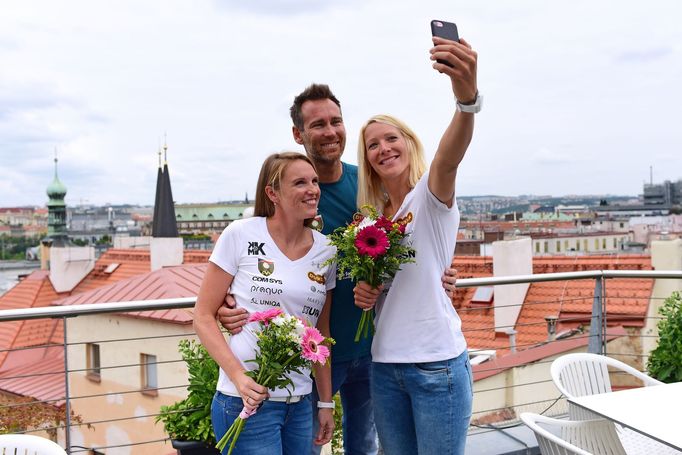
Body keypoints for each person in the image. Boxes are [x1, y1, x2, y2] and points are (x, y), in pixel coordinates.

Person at [218, 84, 459, 455]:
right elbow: (259, 258)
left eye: (336, 121)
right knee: (311, 445)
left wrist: (442, 269)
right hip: (313, 357)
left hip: (375, 348)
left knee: (363, 446)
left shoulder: (369, 182)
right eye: (318, 125)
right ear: (298, 135)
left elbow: (416, 230)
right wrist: (226, 306)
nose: (330, 132)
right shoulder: (290, 192)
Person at [353, 36, 479, 455]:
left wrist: (466, 100)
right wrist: (368, 292)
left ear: (409, 142)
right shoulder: (372, 218)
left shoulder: (430, 194)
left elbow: (449, 156)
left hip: (436, 363)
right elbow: (391, 285)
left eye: (391, 139)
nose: (383, 148)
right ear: (367, 158)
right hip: (385, 364)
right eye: (373, 145)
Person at [194, 152, 336, 454]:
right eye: (299, 182)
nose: (312, 189)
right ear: (273, 193)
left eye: (314, 181)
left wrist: (325, 402)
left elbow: (321, 334)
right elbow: (203, 316)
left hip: (300, 403)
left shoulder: (327, 251)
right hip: (245, 400)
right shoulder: (241, 234)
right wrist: (239, 377)